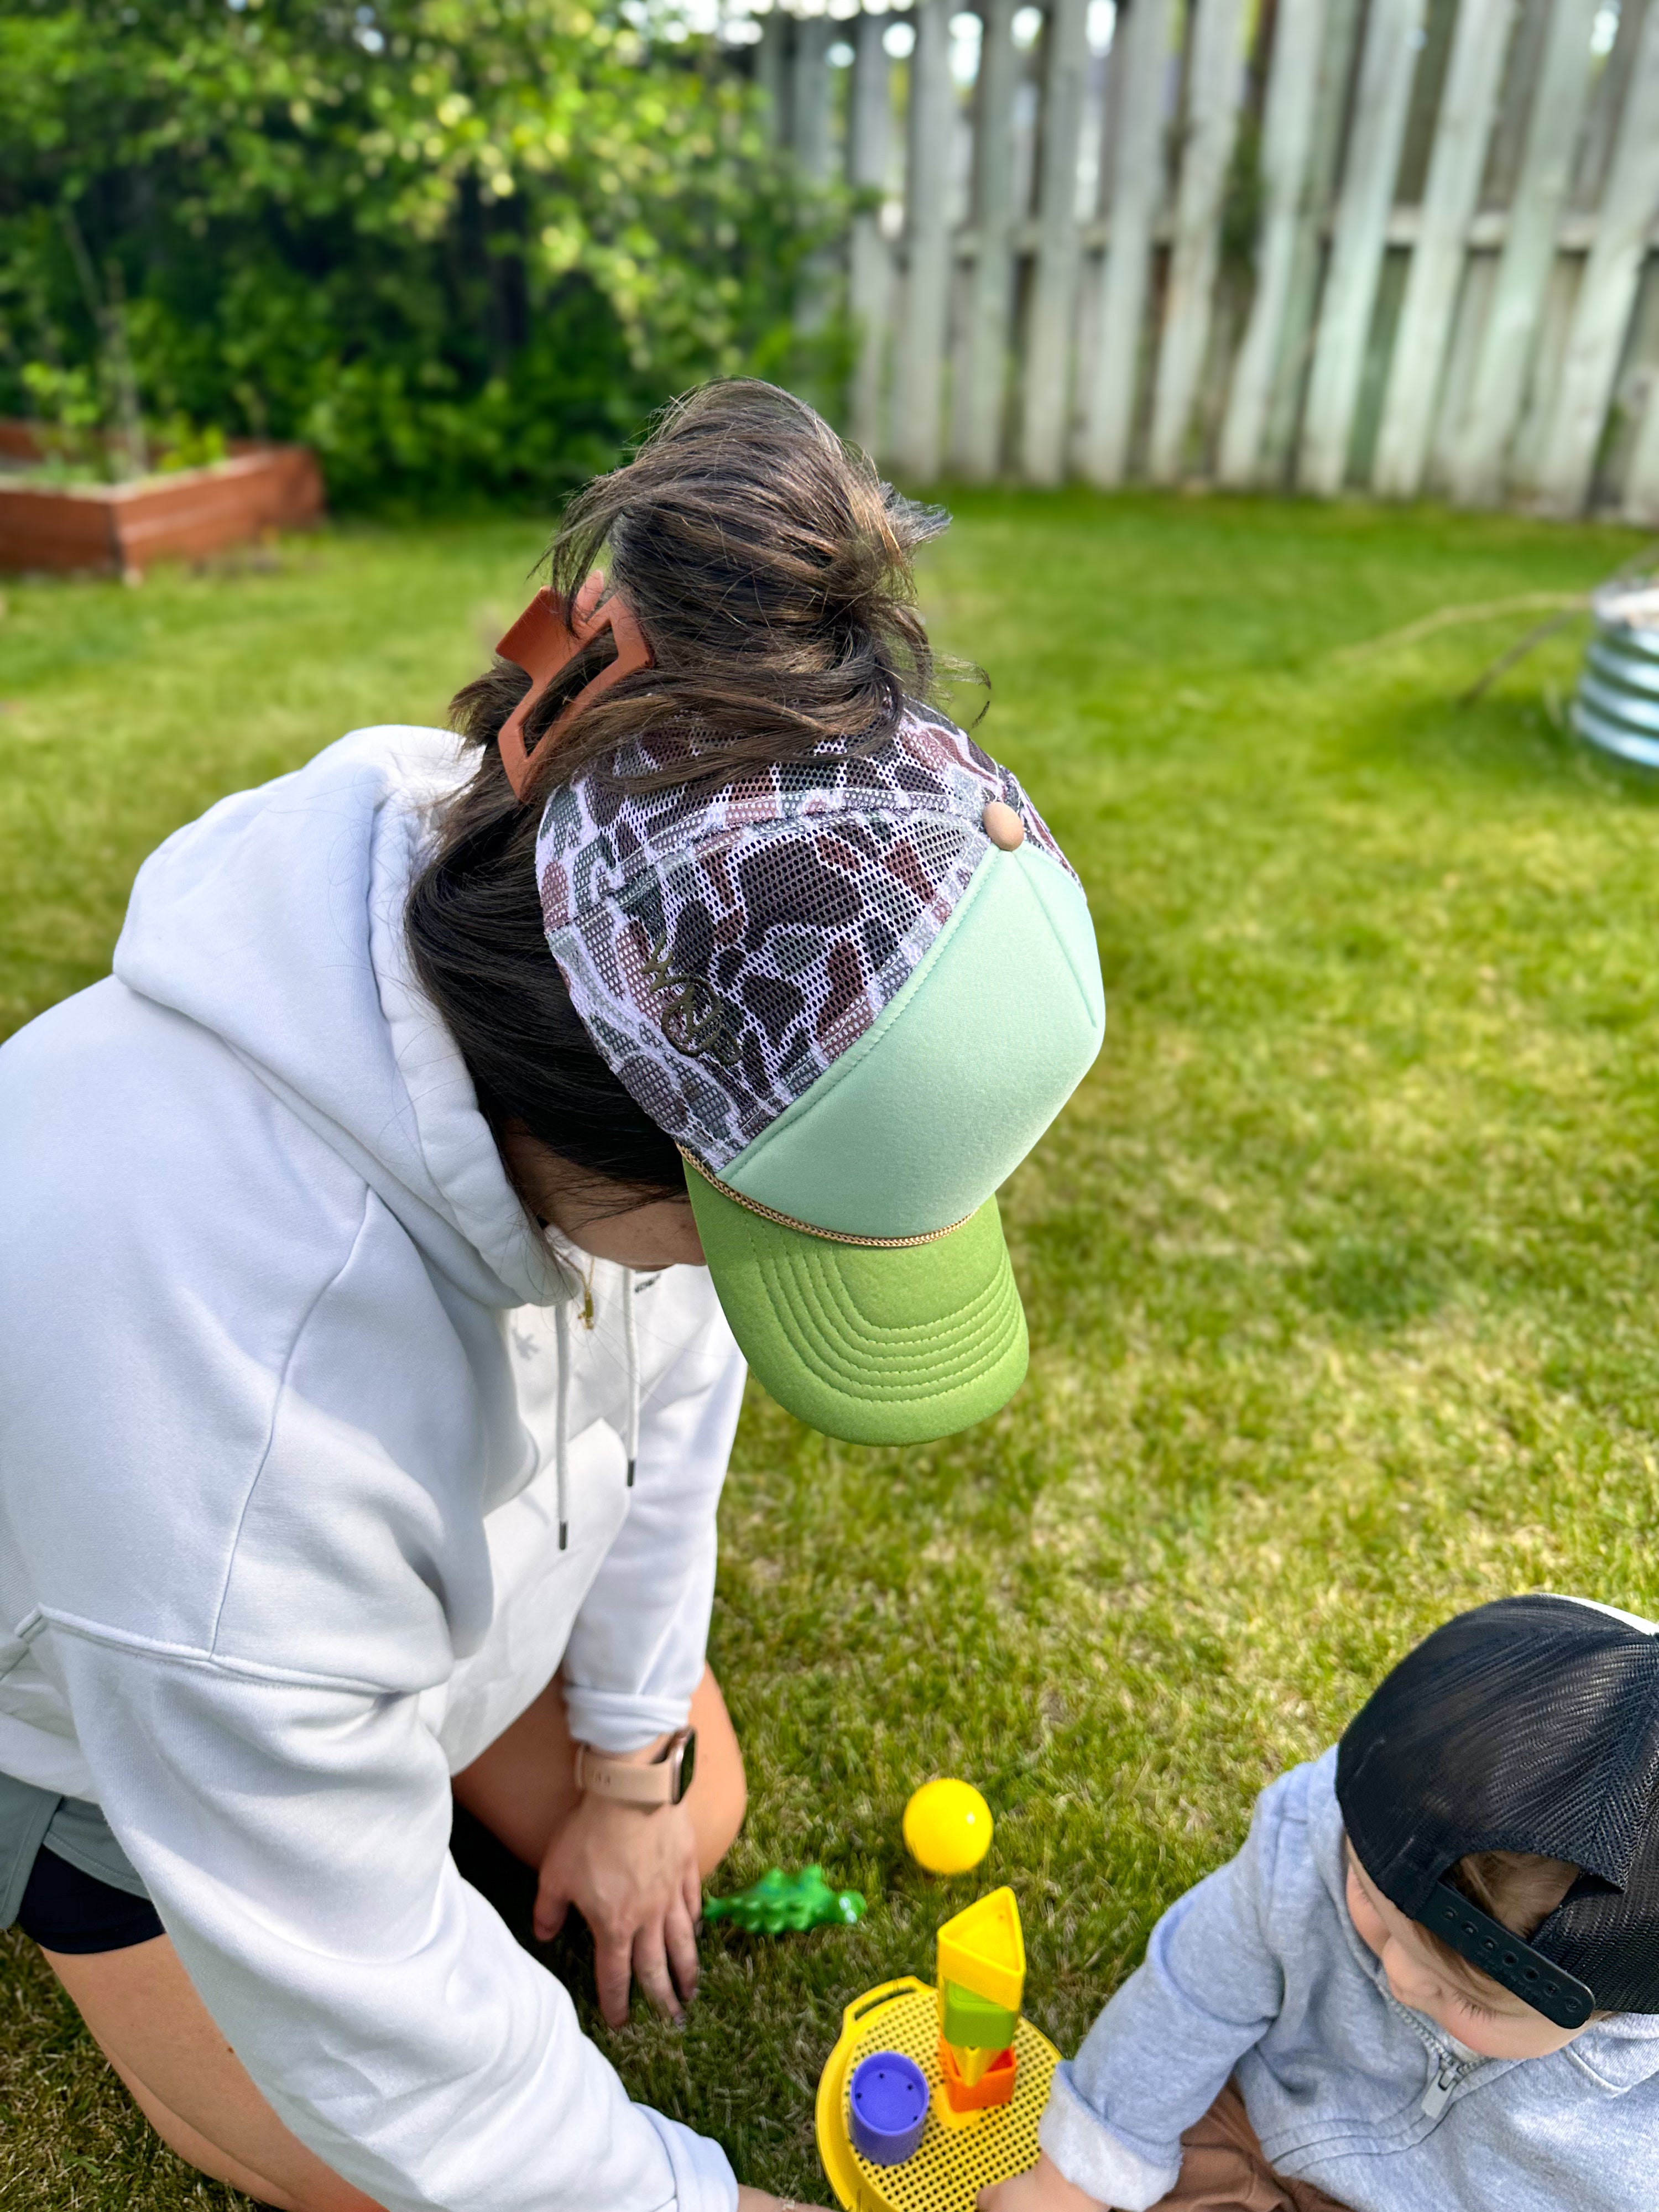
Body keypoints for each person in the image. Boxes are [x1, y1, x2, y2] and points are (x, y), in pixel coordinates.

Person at [0, 380, 1105, 2212]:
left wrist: (631, 1776)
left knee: (692, 1804)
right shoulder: (228, 1407)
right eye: (770, 1242)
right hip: (104, 1723)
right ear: (621, 1143)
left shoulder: (585, 922)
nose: (749, 1295)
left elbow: (675, 1401)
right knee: (353, 2150)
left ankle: (412, 1738)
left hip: (394, 1598)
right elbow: (396, 2055)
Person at [983, 1593, 1659, 2212]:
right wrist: (1071, 2180)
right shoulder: (1320, 1839)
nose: (1398, 1974)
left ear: (1615, 2011)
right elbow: (1193, 1992)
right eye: (1367, 1895)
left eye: (1475, 2000)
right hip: (1258, 2131)